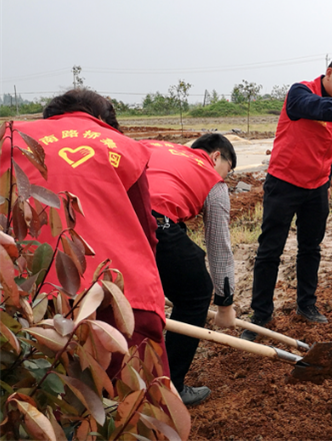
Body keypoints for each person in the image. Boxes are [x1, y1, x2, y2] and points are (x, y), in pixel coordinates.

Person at [2, 89, 168, 378]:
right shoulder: (124, 147)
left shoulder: (11, 140)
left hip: (32, 300)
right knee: (135, 405)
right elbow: (146, 230)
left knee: (43, 398)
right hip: (119, 298)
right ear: (105, 121)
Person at [243, 56, 332, 338]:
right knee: (270, 250)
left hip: (316, 189)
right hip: (284, 184)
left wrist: (326, 183)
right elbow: (314, 107)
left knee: (311, 248)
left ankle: (306, 305)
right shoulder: (300, 92)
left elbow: (329, 151)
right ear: (329, 73)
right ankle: (260, 315)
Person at [143, 134, 237, 406]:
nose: (225, 179)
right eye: (227, 172)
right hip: (153, 220)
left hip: (113, 214)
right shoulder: (212, 180)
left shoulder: (154, 146)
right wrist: (224, 306)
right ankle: (169, 388)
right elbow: (219, 246)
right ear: (216, 156)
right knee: (196, 293)